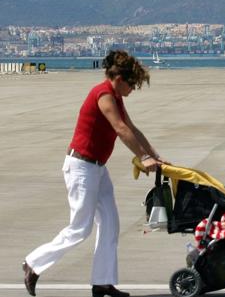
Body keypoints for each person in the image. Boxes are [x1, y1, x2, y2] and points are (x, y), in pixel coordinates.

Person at [22, 50, 165, 297]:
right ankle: (33, 263)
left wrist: (155, 155)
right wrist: (143, 157)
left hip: (97, 169)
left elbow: (132, 128)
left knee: (110, 223)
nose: (133, 89)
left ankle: (102, 282)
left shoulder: (116, 98)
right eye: (132, 83)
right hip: (81, 168)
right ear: (119, 78)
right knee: (80, 229)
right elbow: (120, 129)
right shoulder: (103, 95)